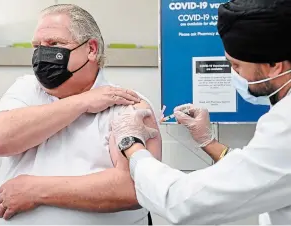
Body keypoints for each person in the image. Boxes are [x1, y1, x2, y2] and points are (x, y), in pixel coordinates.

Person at [108, 0, 291, 225]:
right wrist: (208, 141)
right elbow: (268, 172)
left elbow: (182, 203)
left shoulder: (286, 123)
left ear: (275, 65)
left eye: (236, 66)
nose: (235, 76)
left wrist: (132, 144)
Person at [0, 4, 162, 225]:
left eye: (54, 44)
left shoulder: (126, 103)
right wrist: (81, 102)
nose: (42, 54)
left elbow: (134, 186)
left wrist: (36, 190)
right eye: (36, 46)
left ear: (91, 49)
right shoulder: (27, 88)